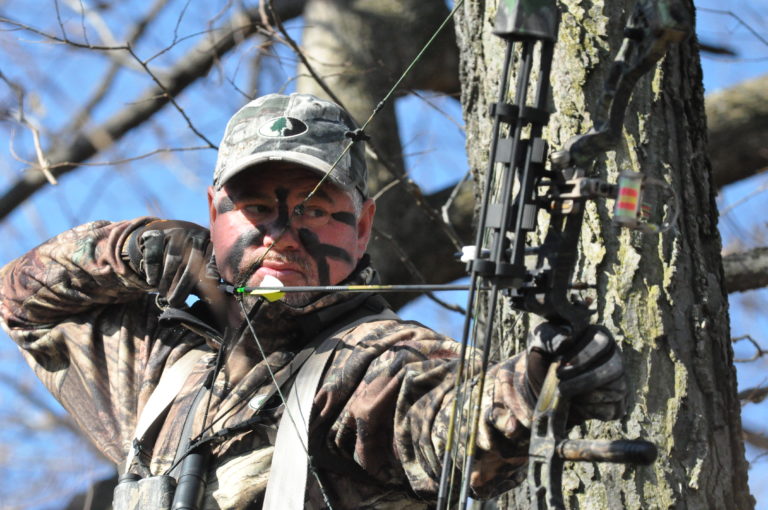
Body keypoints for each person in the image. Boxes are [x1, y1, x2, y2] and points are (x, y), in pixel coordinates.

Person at [0, 93, 627, 509]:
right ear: (213, 214)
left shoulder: (374, 360)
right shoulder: (165, 355)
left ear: (363, 226)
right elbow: (20, 303)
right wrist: (128, 247)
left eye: (315, 211)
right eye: (255, 209)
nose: (281, 235)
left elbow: (445, 424)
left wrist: (534, 385)